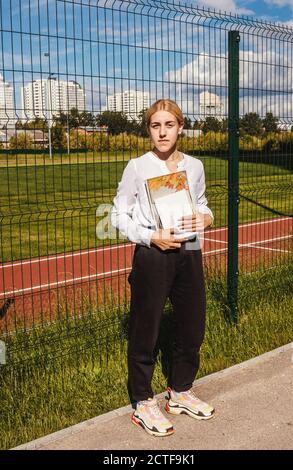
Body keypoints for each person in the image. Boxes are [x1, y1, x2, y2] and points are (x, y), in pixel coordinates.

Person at [111, 99, 215, 437]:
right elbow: (118, 215)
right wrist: (150, 236)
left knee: (192, 325)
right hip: (153, 255)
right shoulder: (137, 167)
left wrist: (206, 218)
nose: (162, 132)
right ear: (149, 130)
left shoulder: (195, 166)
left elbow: (202, 205)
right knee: (147, 328)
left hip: (190, 250)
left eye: (169, 125)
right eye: (155, 126)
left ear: (181, 127)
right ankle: (143, 401)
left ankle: (180, 391)